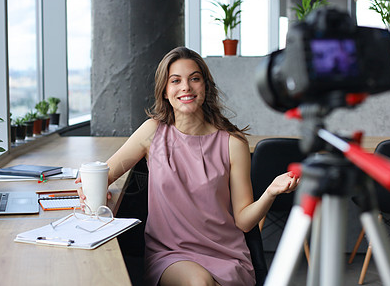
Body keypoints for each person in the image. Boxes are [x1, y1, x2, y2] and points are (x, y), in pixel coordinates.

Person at [77, 47, 299, 286]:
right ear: (164, 90)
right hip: (170, 254)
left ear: (205, 86)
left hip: (226, 254)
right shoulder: (151, 132)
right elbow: (104, 173)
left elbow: (244, 221)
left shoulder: (233, 143)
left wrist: (271, 192)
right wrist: (87, 188)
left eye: (194, 78)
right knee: (200, 283)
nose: (186, 87)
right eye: (176, 81)